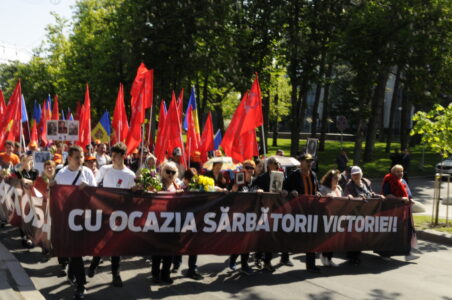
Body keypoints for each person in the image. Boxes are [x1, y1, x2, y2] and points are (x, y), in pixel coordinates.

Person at [88, 142, 136, 287]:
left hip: (120, 214)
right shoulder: (104, 169)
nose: (112, 158)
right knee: (101, 241)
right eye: (112, 155)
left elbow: (131, 197)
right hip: (104, 211)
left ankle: (116, 274)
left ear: (123, 156)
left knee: (116, 245)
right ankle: (94, 264)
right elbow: (93, 185)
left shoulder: (130, 175)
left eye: (115, 155)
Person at [54, 145, 97, 300]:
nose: (81, 160)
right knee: (76, 252)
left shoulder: (87, 172)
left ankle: (72, 273)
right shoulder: (61, 174)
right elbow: (57, 197)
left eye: (82, 157)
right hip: (68, 219)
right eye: (78, 157)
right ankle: (81, 285)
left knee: (77, 251)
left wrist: (88, 188)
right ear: (69, 158)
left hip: (84, 218)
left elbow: (96, 193)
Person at [283, 153, 320, 273]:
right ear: (301, 162)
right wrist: (291, 192)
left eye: (311, 161)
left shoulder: (313, 174)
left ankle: (311, 265)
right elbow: (284, 189)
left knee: (312, 237)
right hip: (297, 210)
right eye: (307, 161)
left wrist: (318, 193)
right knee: (291, 235)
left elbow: (316, 189)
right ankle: (284, 257)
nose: (309, 163)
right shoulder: (294, 175)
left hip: (310, 210)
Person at [380, 164, 419, 261]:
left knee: (407, 232)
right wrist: (401, 199)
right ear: (392, 172)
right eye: (397, 171)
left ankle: (407, 253)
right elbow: (387, 195)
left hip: (405, 210)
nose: (400, 173)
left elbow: (408, 195)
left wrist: (410, 200)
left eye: (401, 171)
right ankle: (385, 254)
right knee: (390, 232)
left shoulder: (404, 181)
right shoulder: (389, 181)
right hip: (392, 210)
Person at [344, 166, 381, 265]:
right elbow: (347, 195)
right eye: (354, 174)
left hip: (367, 213)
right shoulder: (349, 185)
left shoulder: (366, 183)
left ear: (361, 174)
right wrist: (354, 197)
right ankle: (352, 257)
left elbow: (370, 193)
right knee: (355, 236)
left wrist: (378, 196)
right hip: (355, 214)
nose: (356, 176)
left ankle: (357, 255)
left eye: (358, 174)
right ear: (351, 176)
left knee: (362, 236)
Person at [151, 162, 182, 285]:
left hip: (173, 223)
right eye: (168, 171)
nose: (170, 174)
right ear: (163, 171)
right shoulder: (156, 184)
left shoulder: (178, 187)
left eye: (173, 172)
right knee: (157, 251)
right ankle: (155, 274)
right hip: (158, 222)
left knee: (169, 251)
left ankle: (165, 274)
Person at [172, 168, 203, 280]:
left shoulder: (199, 186)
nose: (192, 182)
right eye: (190, 180)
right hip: (181, 217)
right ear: (185, 179)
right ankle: (176, 263)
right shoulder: (178, 185)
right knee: (178, 241)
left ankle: (192, 269)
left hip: (194, 218)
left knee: (194, 243)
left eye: (194, 180)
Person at [227, 159, 257, 275]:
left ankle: (244, 264)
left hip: (251, 215)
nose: (249, 170)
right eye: (247, 167)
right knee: (239, 240)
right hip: (238, 215)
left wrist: (261, 191)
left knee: (248, 241)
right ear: (243, 169)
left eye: (251, 168)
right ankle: (233, 260)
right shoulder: (236, 180)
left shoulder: (255, 182)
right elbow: (227, 195)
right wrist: (233, 190)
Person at [252, 156, 281, 272]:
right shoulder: (262, 178)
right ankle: (258, 256)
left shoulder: (280, 177)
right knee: (262, 235)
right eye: (275, 163)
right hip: (263, 210)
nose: (277, 166)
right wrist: (259, 190)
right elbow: (254, 187)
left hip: (274, 210)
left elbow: (283, 188)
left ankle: (267, 261)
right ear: (269, 165)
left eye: (277, 164)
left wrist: (284, 191)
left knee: (270, 237)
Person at [13, 152, 39, 248]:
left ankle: (30, 237)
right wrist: (22, 167)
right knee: (23, 217)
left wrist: (28, 181)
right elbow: (19, 178)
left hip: (32, 198)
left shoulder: (35, 171)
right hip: (22, 197)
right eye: (25, 160)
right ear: (22, 162)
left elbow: (35, 182)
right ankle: (25, 237)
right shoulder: (19, 171)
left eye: (30, 160)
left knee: (32, 217)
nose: (28, 162)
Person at [318, 169, 343, 267]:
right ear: (330, 179)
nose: (337, 180)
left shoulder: (338, 189)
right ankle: (324, 256)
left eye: (338, 178)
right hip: (326, 217)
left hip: (336, 217)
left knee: (333, 239)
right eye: (335, 178)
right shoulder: (324, 188)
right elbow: (318, 200)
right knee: (326, 239)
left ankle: (329, 258)